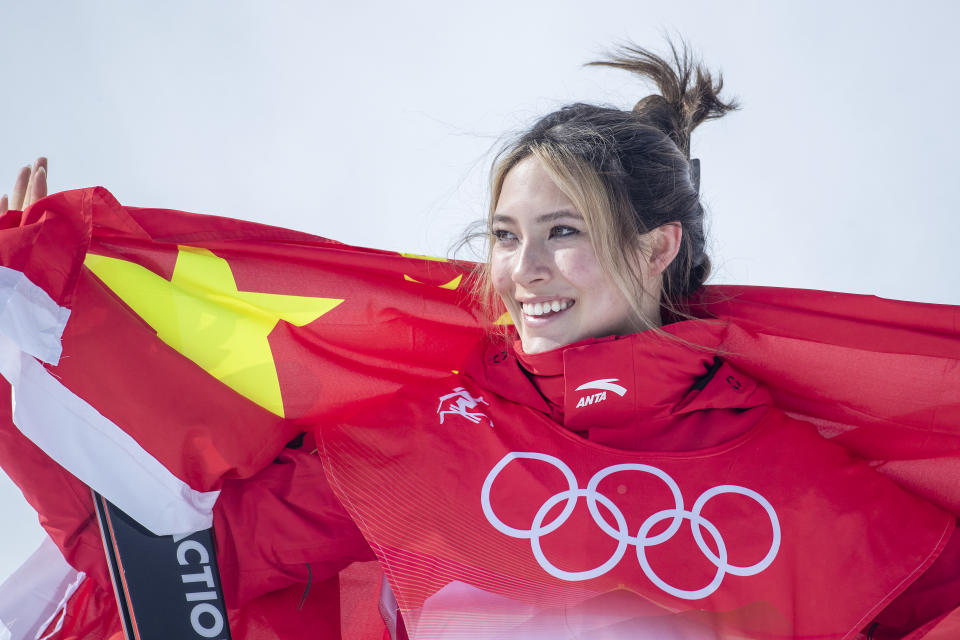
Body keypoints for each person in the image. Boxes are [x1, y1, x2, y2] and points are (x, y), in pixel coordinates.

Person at [4, 43, 960, 639]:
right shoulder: (421, 439)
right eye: (507, 236)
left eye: (564, 232)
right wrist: (39, 343)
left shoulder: (788, 478)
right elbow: (174, 568)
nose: (525, 270)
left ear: (657, 246)